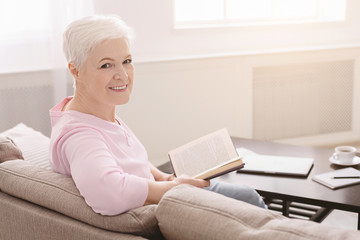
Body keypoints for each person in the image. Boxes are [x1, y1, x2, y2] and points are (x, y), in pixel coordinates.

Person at [49, 15, 266, 216]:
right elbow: (107, 192)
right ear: (75, 71)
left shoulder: (96, 110)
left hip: (163, 190)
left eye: (126, 61)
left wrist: (162, 177)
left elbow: (128, 160)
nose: (123, 75)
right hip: (162, 207)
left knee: (246, 194)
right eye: (106, 65)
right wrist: (172, 187)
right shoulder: (79, 135)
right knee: (247, 198)